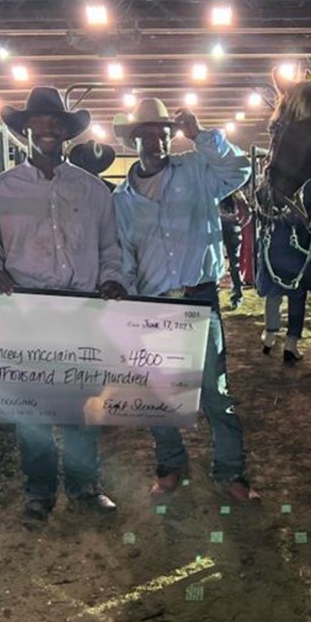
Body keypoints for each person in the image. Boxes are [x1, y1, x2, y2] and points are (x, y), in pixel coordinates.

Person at [0, 86, 129, 522]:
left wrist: (112, 278)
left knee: (82, 406)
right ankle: (38, 492)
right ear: (24, 130)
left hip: (80, 309)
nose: (47, 129)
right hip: (26, 313)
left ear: (66, 130)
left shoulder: (94, 191)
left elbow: (110, 247)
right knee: (32, 410)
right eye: (37, 122)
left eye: (55, 122)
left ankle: (83, 486)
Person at [110, 97, 260, 502]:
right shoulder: (121, 200)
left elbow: (240, 169)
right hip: (153, 303)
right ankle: (170, 463)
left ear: (169, 137)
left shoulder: (196, 170)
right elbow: (124, 252)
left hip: (199, 298)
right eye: (146, 134)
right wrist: (123, 288)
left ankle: (230, 470)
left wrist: (202, 136)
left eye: (162, 133)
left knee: (214, 392)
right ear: (134, 139)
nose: (155, 141)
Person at [255, 177, 311, 364]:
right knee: (297, 297)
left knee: (273, 294)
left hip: (274, 246)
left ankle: (270, 335)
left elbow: (260, 206)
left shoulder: (270, 181)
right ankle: (291, 344)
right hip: (298, 249)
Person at [218, 189, 248, 309]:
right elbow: (248, 213)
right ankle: (237, 295)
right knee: (234, 263)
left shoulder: (215, 189)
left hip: (218, 228)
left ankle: (215, 294)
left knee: (217, 261)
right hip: (232, 228)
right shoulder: (236, 192)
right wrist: (240, 225)